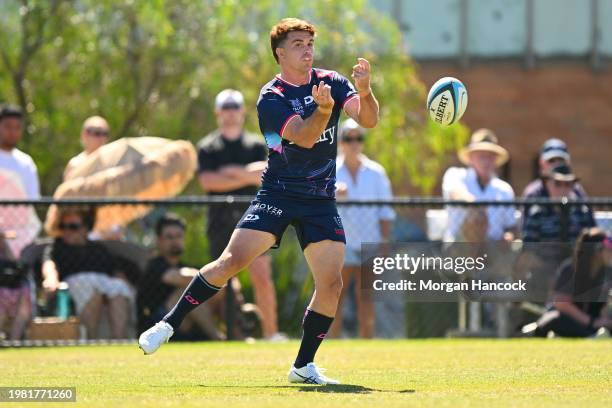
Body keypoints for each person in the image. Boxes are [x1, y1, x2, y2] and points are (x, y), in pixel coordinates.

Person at [140, 17, 379, 385]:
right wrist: (324, 111)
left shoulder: (331, 81)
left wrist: (364, 91)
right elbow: (302, 137)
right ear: (280, 53)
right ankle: (168, 324)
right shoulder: (272, 97)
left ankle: (303, 367)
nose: (307, 49)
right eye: (298, 44)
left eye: (310, 43)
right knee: (231, 261)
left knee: (331, 283)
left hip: (319, 200)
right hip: (278, 194)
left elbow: (369, 120)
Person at [197, 89, 282, 340]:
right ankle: (229, 335)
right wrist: (245, 174)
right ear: (217, 112)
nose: (231, 113)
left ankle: (271, 333)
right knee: (223, 283)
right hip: (219, 222)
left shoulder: (257, 143)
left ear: (243, 112)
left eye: (235, 107)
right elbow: (208, 181)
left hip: (256, 219)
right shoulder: (207, 147)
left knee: (262, 277)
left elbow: (264, 173)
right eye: (226, 108)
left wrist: (231, 172)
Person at [329, 118, 394, 338]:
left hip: (370, 244)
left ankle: (367, 348)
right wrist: (332, 195)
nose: (354, 143)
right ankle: (329, 346)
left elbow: (386, 212)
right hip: (340, 245)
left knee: (366, 300)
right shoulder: (330, 171)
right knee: (334, 297)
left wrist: (385, 244)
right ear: (341, 142)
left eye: (358, 138)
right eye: (348, 138)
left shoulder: (377, 173)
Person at [42, 207, 132, 339]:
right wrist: (51, 279)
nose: (67, 231)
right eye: (63, 226)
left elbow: (116, 272)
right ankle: (91, 339)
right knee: (92, 289)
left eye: (73, 226)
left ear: (85, 229)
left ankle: (119, 339)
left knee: (119, 287)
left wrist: (123, 282)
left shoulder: (98, 249)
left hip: (102, 281)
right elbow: (49, 264)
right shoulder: (57, 246)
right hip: (75, 283)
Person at [137, 214, 224, 340]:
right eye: (169, 237)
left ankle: (239, 337)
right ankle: (218, 339)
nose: (175, 241)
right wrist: (218, 275)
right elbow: (179, 277)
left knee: (221, 289)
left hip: (184, 325)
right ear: (159, 240)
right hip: (156, 325)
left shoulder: (186, 266)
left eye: (178, 236)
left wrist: (223, 282)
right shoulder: (154, 265)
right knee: (191, 292)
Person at [520, 164, 596, 297]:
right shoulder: (538, 212)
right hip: (544, 275)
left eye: (568, 184)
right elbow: (528, 252)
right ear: (547, 184)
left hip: (576, 272)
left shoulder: (581, 211)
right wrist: (552, 275)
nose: (563, 189)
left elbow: (593, 245)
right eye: (558, 183)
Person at [527, 228, 611, 337]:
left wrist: (604, 322)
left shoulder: (606, 272)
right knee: (554, 319)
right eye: (609, 249)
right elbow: (562, 304)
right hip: (568, 318)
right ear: (597, 251)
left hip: (592, 321)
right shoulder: (571, 269)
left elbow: (602, 307)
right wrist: (591, 322)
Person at [442, 129, 517, 243]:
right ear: (471, 158)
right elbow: (456, 194)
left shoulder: (504, 189)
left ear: (496, 159)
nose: (486, 161)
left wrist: (509, 237)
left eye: (490, 156)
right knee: (474, 222)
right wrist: (476, 209)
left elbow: (511, 226)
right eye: (481, 156)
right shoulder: (455, 175)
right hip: (460, 247)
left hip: (494, 247)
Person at [522, 138, 587, 199]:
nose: (557, 164)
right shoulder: (533, 192)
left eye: (561, 160)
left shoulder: (577, 190)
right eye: (551, 160)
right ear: (541, 162)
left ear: (568, 162)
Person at [0, 231, 31, 340]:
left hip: (10, 286)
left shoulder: (5, 247)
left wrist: (3, 241)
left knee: (24, 290)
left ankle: (14, 340)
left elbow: (13, 264)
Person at [64, 116, 110, 180]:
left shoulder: (112, 162)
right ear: (84, 134)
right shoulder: (75, 164)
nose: (102, 138)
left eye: (105, 134)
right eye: (97, 133)